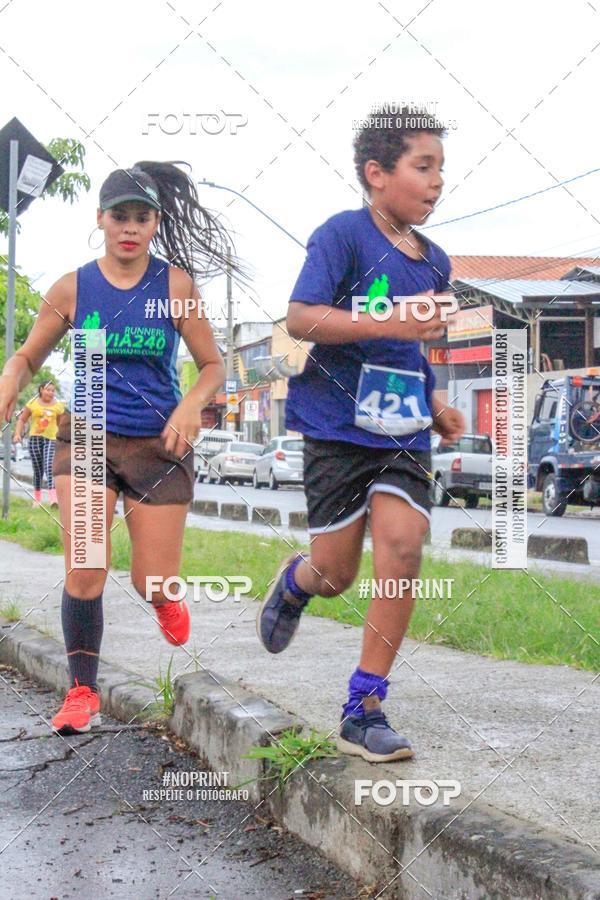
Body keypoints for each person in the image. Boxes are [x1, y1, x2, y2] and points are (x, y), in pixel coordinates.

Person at [257, 105, 465, 762]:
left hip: (403, 429)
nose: (435, 183)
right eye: (422, 167)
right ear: (377, 173)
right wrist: (391, 321)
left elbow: (412, 350)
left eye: (440, 169)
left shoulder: (435, 262)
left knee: (403, 549)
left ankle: (364, 705)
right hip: (336, 428)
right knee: (337, 571)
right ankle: (297, 581)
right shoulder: (341, 236)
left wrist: (435, 403)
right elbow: (299, 318)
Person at [0, 161, 237, 734]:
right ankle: (81, 691)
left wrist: (189, 405)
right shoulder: (74, 287)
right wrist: (7, 392)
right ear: (100, 219)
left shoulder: (175, 285)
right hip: (87, 438)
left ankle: (163, 598)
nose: (129, 227)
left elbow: (212, 364)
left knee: (151, 580)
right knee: (85, 567)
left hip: (159, 442)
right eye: (119, 216)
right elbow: (29, 354)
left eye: (142, 217)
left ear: (155, 223)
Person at [14, 380, 64, 507]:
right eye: (48, 390)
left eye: (53, 390)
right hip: (35, 438)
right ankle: (37, 500)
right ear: (41, 390)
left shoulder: (58, 406)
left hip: (51, 439)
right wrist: (17, 434)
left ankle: (53, 500)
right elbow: (22, 419)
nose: (51, 393)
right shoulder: (32, 403)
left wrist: (63, 438)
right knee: (38, 470)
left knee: (49, 467)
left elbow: (61, 424)